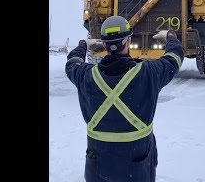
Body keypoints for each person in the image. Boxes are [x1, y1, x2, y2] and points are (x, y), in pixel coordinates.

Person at [65, 15, 184, 182]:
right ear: (128, 42)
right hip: (137, 167)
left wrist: (83, 45)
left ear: (104, 44)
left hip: (98, 167)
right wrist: (170, 37)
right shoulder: (148, 74)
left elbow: (72, 63)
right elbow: (174, 58)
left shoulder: (86, 76)